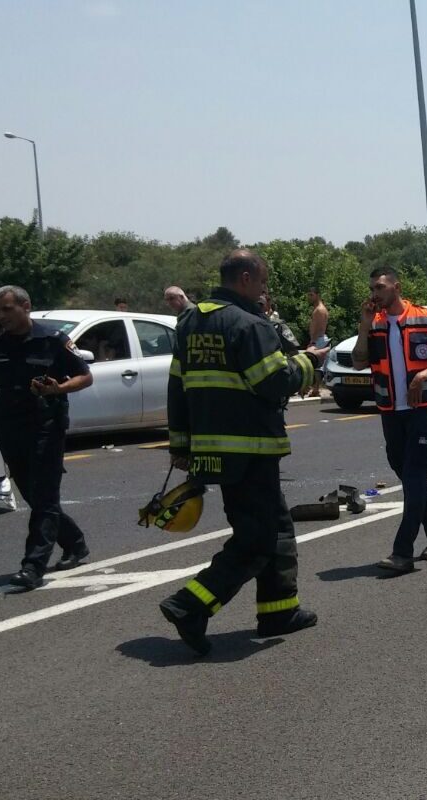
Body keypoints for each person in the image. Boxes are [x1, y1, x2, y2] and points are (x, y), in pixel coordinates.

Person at [158, 249, 328, 656]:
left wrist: (180, 444)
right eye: (263, 282)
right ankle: (191, 604)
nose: (264, 291)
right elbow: (272, 381)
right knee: (257, 539)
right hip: (250, 448)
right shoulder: (248, 324)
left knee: (277, 526)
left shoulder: (191, 321)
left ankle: (279, 610)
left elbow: (177, 387)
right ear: (247, 278)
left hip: (213, 449)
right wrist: (307, 362)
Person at [0, 286, 94, 590]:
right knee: (33, 494)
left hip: (45, 425)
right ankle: (75, 542)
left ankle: (32, 566)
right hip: (7, 426)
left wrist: (58, 389)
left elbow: (85, 375)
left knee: (44, 496)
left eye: (7, 309)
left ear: (25, 306)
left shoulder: (52, 339)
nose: (2, 316)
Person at [352, 266, 427, 573]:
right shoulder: (376, 324)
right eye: (372, 289)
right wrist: (364, 327)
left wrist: (422, 375)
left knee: (414, 479)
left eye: (380, 287)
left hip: (420, 410)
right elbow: (358, 362)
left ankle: (402, 552)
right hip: (390, 411)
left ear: (397, 286)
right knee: (403, 469)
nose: (375, 293)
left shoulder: (423, 317)